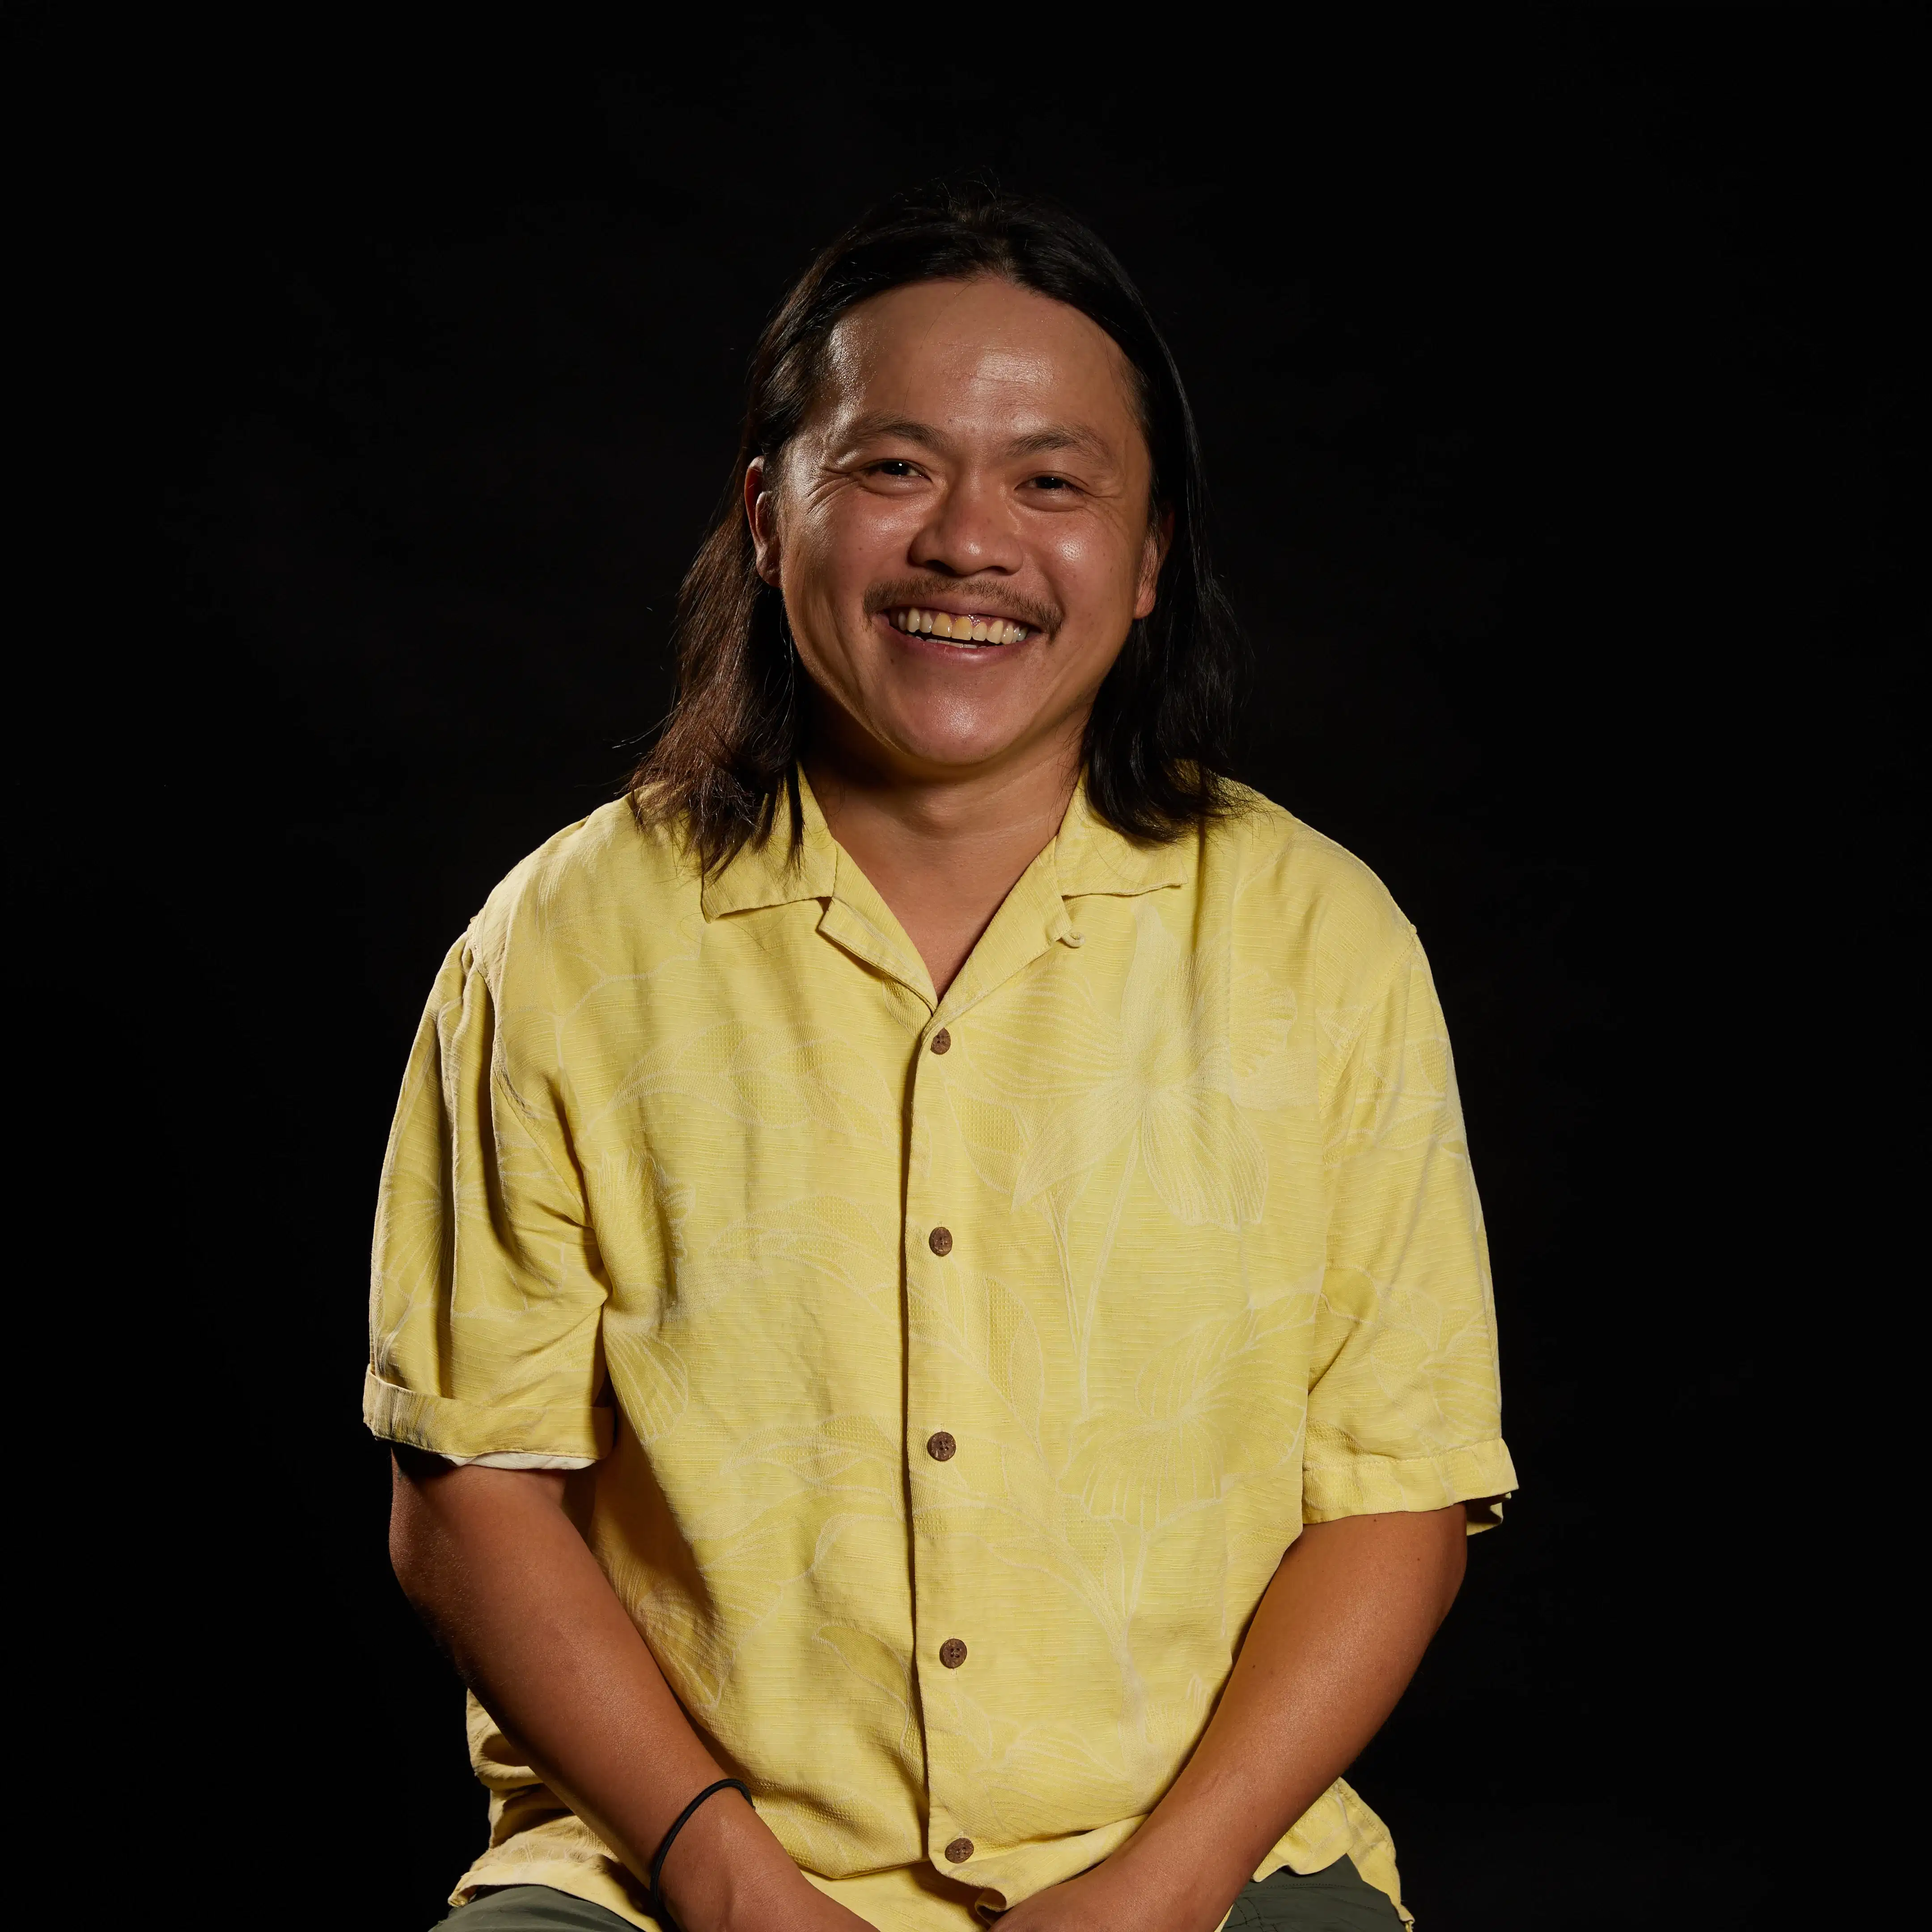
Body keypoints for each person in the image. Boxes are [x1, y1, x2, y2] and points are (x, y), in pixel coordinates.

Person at [369, 182, 1516, 1932]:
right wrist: (731, 1883)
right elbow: (469, 1497)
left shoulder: (1323, 945)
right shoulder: (559, 950)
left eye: (1052, 483)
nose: (971, 543)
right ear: (769, 517)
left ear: (1150, 558)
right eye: (895, 467)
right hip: (658, 1872)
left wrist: (1167, 1883)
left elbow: (1397, 1498)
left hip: (1208, 1866)